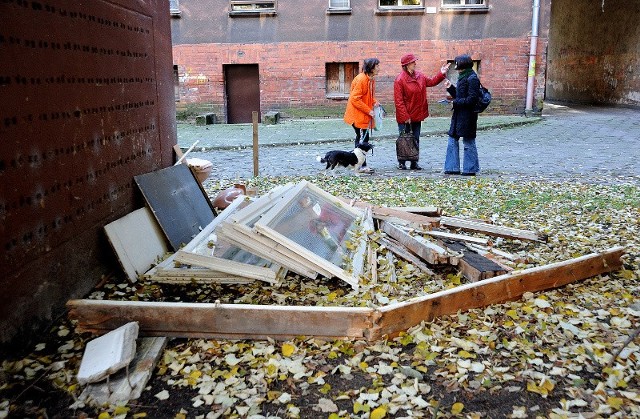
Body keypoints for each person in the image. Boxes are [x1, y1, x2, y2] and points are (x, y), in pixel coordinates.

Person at [394, 54, 450, 170]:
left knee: (416, 138)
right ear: (407, 65)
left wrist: (441, 73)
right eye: (413, 62)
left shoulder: (420, 76)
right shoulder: (400, 80)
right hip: (406, 115)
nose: (415, 63)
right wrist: (405, 116)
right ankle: (402, 162)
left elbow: (432, 82)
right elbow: (398, 101)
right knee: (404, 139)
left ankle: (414, 162)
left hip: (417, 114)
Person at [443, 54, 481, 176]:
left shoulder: (472, 78)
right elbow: (460, 96)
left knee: (468, 141)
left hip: (468, 116)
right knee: (452, 139)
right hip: (459, 114)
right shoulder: (463, 77)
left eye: (457, 64)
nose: (456, 67)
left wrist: (455, 103)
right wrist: (450, 88)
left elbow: (472, 99)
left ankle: (470, 168)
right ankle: (452, 167)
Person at [343, 58, 380, 172]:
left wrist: (374, 102)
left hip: (363, 116)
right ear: (371, 68)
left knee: (364, 139)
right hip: (357, 116)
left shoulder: (371, 80)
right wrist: (369, 110)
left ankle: (359, 164)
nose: (379, 68)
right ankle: (360, 165)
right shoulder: (362, 80)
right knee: (362, 141)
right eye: (377, 66)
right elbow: (355, 99)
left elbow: (368, 96)